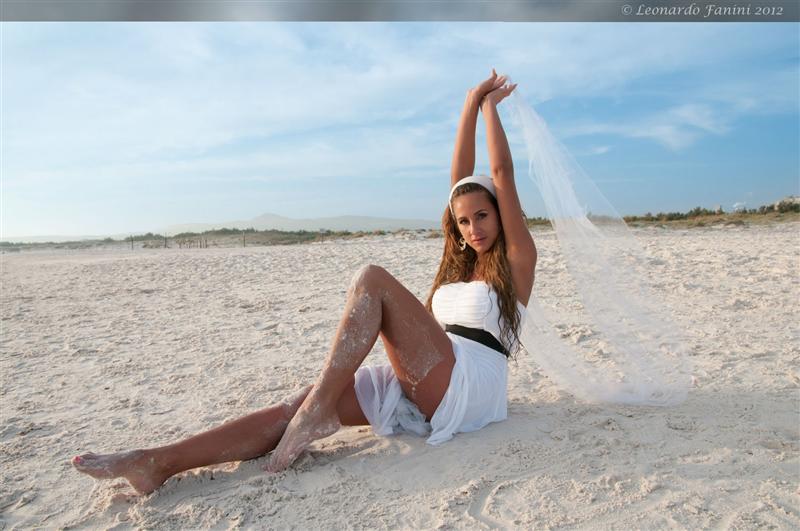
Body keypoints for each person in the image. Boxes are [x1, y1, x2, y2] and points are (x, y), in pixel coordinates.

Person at [71, 69, 537, 495]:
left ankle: (319, 408)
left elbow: (501, 174)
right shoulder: (456, 262)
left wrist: (489, 107)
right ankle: (158, 461)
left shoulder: (518, 261)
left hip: (468, 385)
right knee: (294, 406)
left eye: (483, 216)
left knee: (371, 279)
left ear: (501, 214)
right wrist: (468, 101)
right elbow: (458, 181)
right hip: (429, 373)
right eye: (464, 221)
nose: (473, 228)